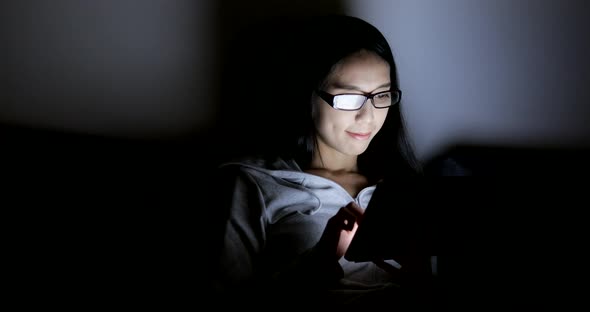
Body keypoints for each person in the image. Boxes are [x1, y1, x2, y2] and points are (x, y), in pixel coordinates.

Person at [211, 14, 437, 308]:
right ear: (309, 94)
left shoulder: (405, 187)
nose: (367, 116)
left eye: (381, 95)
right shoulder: (253, 183)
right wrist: (318, 262)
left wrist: (420, 276)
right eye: (349, 97)